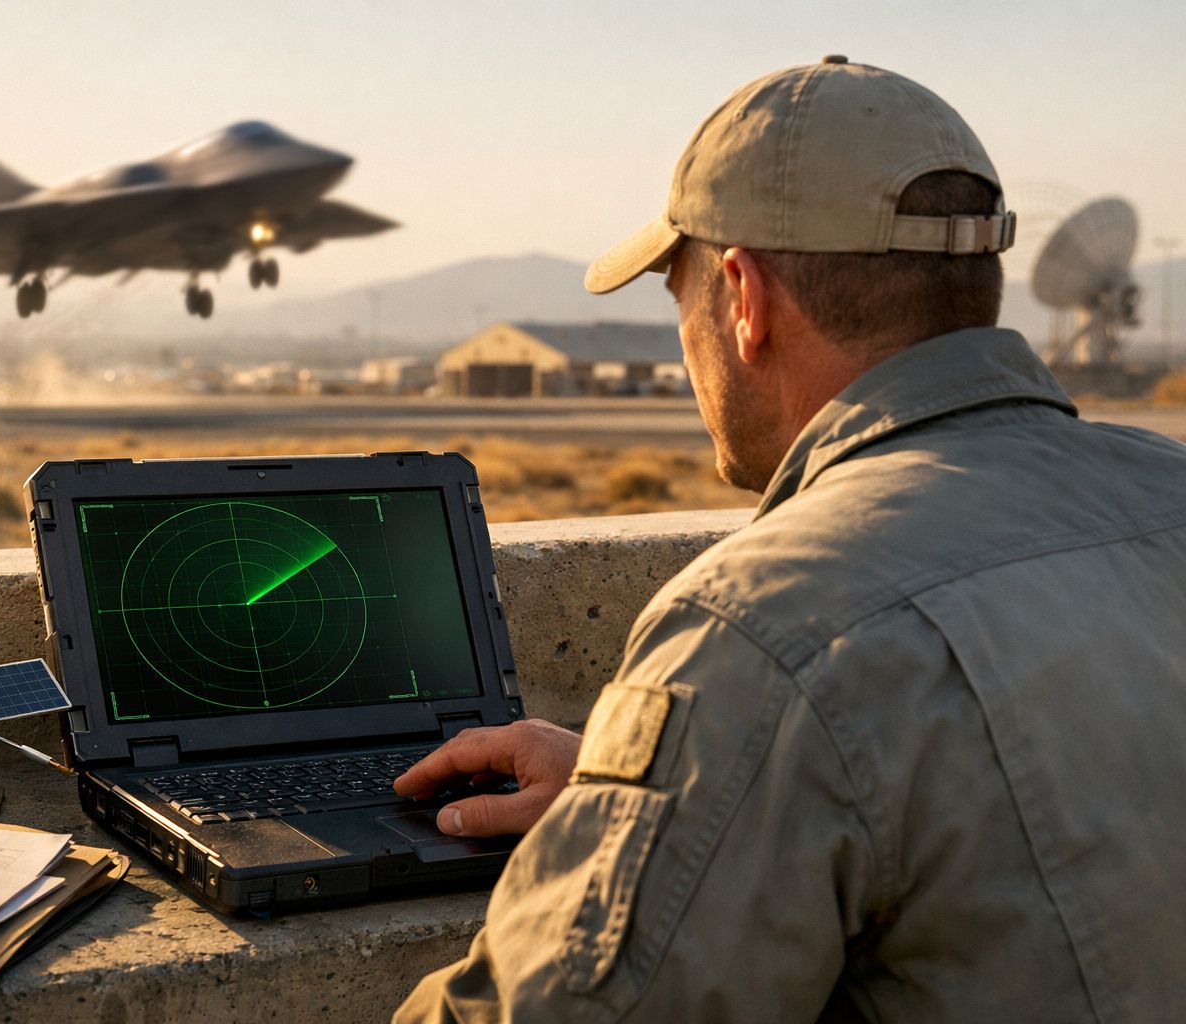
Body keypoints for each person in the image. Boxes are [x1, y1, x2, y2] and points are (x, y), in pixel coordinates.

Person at [391, 56, 1186, 1022]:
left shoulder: (763, 626)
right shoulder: (1167, 490)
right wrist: (653, 794)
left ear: (743, 298)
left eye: (677, 293)